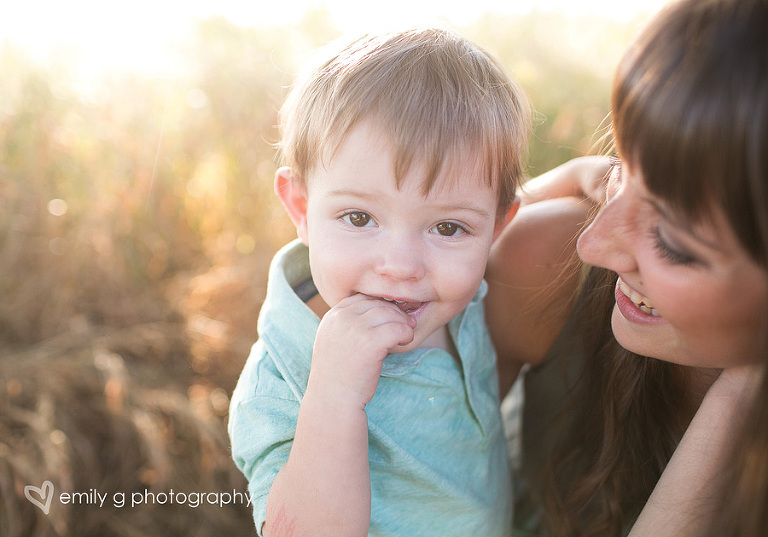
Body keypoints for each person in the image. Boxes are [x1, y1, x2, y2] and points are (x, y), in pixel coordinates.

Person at [228, 28, 530, 536]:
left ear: (495, 229)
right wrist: (334, 397)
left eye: (447, 227)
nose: (401, 265)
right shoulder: (284, 384)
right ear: (300, 208)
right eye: (359, 218)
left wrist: (583, 176)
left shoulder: (455, 292)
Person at [486, 0, 768, 535]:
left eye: (672, 241)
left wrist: (735, 399)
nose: (594, 245)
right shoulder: (549, 264)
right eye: (620, 167)